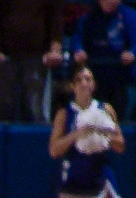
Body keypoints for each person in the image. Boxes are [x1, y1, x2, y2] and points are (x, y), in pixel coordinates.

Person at [50, 64, 126, 198]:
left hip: (100, 181)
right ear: (72, 86)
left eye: (88, 79)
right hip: (73, 183)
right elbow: (54, 150)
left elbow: (121, 145)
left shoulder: (105, 109)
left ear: (94, 85)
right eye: (79, 80)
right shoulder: (64, 114)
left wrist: (101, 132)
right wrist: (77, 134)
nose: (84, 83)